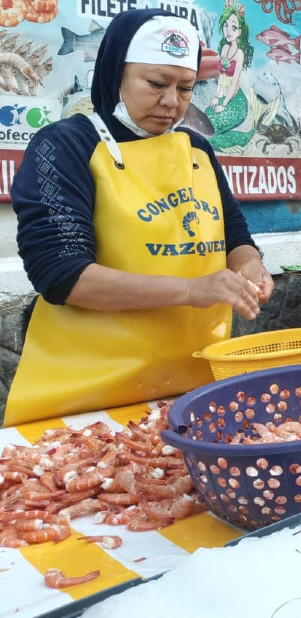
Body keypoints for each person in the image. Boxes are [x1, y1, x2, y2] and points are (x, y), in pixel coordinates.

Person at [6, 9, 273, 426]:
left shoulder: (197, 150)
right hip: (87, 398)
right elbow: (62, 274)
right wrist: (190, 289)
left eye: (185, 88)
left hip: (194, 386)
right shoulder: (64, 146)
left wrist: (249, 266)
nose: (172, 102)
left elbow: (234, 234)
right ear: (116, 74)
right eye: (156, 83)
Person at [206, 0, 255, 152]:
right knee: (205, 124)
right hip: (223, 96)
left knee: (211, 134)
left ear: (239, 31)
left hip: (236, 102)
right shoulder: (225, 48)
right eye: (226, 25)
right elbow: (222, 78)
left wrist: (224, 104)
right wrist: (216, 97)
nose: (228, 30)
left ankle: (244, 138)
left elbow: (234, 83)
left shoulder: (239, 54)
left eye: (233, 27)